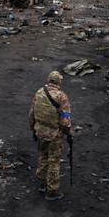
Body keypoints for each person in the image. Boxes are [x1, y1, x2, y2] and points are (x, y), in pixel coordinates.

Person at [28, 71, 72, 200]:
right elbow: (65, 119)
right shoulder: (61, 97)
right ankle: (52, 190)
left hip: (40, 132)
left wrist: (33, 128)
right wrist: (67, 131)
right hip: (54, 135)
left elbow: (31, 113)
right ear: (59, 82)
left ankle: (41, 183)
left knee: (42, 156)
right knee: (54, 161)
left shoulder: (39, 92)